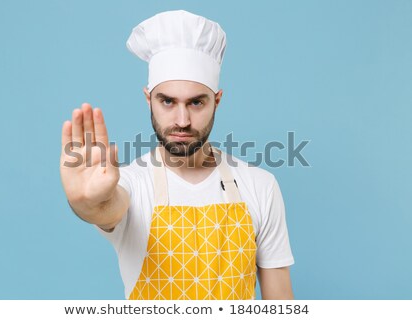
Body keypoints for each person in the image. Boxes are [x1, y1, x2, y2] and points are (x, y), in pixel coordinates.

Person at [60, 10, 294, 300]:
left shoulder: (260, 186)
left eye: (196, 102)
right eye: (167, 101)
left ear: (217, 101)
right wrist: (88, 202)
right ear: (149, 99)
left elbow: (281, 306)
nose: (182, 120)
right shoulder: (131, 183)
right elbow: (107, 209)